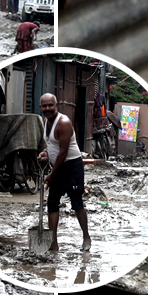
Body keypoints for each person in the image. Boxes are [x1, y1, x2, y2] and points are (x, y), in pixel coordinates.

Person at [37, 93, 92, 252]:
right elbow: (51, 145)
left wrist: (51, 175)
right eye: (44, 106)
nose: (47, 108)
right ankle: (53, 242)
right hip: (57, 167)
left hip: (72, 167)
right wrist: (45, 154)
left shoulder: (64, 123)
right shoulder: (46, 122)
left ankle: (86, 237)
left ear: (56, 106)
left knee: (76, 203)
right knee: (52, 203)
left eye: (50, 105)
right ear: (41, 107)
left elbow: (63, 152)